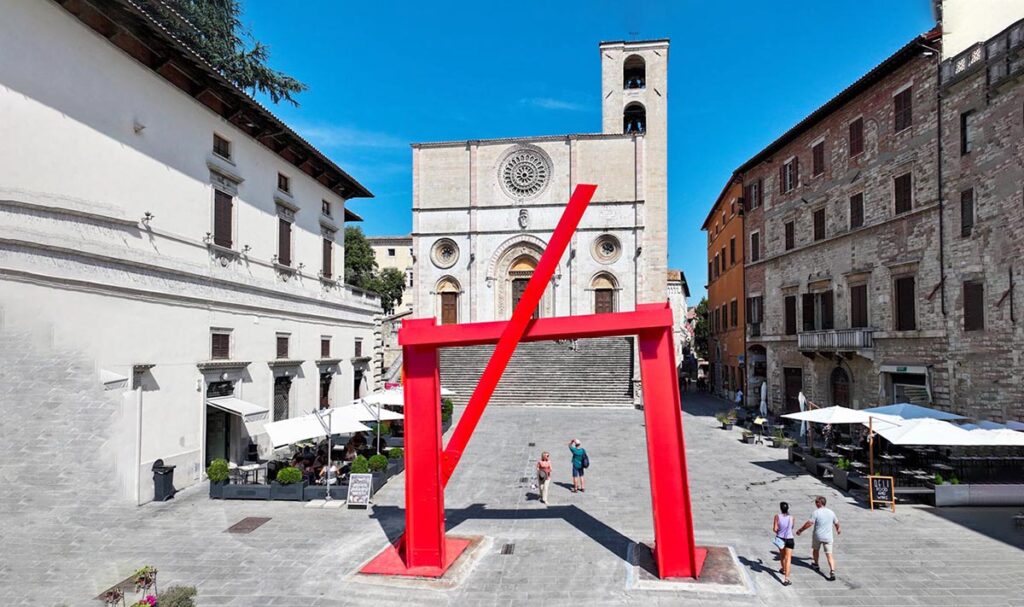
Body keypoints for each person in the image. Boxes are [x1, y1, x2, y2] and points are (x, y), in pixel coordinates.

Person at [795, 496, 841, 581]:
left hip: (818, 536)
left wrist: (800, 530)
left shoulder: (816, 512)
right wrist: (838, 529)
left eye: (816, 502)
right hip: (828, 537)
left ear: (820, 503)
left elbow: (809, 523)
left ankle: (816, 564)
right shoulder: (831, 512)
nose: (815, 504)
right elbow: (836, 523)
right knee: (829, 555)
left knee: (815, 550)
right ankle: (832, 571)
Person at [773, 501, 795, 586]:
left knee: (782, 555)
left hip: (780, 538)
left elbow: (775, 529)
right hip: (789, 539)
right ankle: (786, 579)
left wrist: (779, 531)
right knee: (788, 558)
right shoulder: (792, 518)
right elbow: (792, 527)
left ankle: (783, 569)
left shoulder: (777, 516)